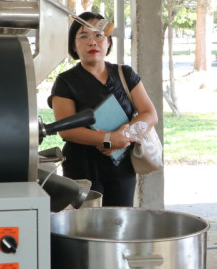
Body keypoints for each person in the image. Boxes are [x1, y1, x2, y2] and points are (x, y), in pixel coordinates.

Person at [50, 12, 157, 207]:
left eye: (98, 35)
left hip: (122, 166)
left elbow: (149, 114)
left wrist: (124, 137)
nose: (92, 42)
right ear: (73, 45)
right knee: (85, 222)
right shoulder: (65, 82)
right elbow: (66, 129)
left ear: (108, 42)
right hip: (82, 168)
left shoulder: (125, 74)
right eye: (83, 36)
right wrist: (108, 139)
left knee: (119, 220)